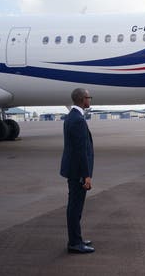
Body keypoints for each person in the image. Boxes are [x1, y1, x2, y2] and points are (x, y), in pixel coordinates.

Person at [60, 88, 95, 253]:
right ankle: (75, 243)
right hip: (78, 172)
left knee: (74, 207)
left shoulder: (72, 117)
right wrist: (86, 175)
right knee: (75, 208)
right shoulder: (78, 120)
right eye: (89, 97)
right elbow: (81, 150)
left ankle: (76, 238)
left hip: (73, 170)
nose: (90, 100)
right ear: (83, 99)